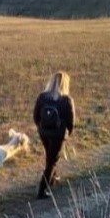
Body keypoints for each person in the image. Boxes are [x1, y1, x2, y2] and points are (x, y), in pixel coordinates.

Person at [32, 71, 76, 199]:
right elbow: (71, 121)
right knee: (52, 161)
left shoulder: (42, 97)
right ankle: (42, 190)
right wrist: (67, 133)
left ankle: (52, 178)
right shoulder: (67, 100)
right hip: (58, 134)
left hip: (44, 132)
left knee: (49, 157)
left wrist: (41, 127)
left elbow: (36, 116)